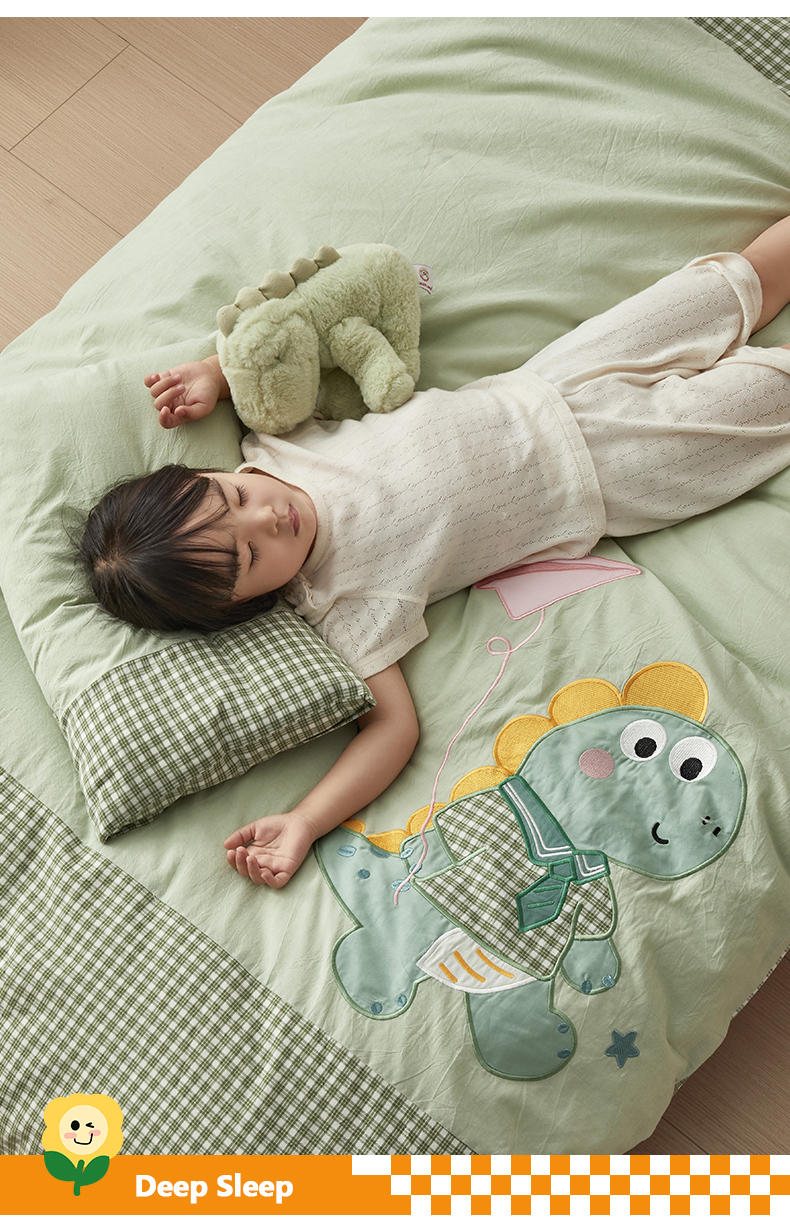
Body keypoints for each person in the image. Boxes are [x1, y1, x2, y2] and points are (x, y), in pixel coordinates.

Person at [80, 216, 790, 890]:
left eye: (232, 499)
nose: (267, 519)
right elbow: (391, 731)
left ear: (209, 473)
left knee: (717, 288)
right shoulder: (339, 605)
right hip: (607, 474)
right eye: (249, 557)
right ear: (246, 603)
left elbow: (288, 340)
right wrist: (305, 820)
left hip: (553, 378)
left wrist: (216, 372)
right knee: (769, 398)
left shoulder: (274, 445)